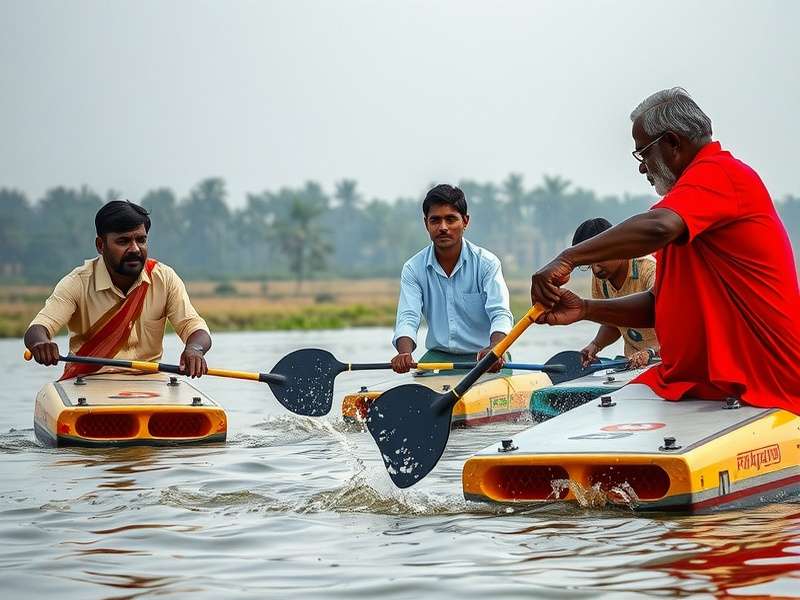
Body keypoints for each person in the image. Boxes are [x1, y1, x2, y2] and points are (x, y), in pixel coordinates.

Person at [530, 87, 800, 412]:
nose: (643, 168)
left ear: (673, 143)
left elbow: (658, 226)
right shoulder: (688, 203)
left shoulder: (720, 174)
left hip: (766, 385)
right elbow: (660, 306)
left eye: (644, 154)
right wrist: (586, 309)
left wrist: (568, 258)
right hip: (694, 386)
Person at [24, 200, 212, 379]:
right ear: (100, 245)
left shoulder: (165, 278)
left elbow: (195, 328)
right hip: (87, 382)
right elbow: (38, 328)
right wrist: (41, 344)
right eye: (123, 241)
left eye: (141, 240)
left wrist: (194, 350)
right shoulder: (77, 283)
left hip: (151, 384)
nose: (135, 249)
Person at [391, 184, 513, 374]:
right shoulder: (413, 269)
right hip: (438, 357)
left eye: (451, 219)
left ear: (465, 221)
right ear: (426, 224)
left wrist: (495, 350)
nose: (443, 228)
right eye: (435, 220)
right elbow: (408, 317)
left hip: (486, 357)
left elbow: (500, 313)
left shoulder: (487, 264)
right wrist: (404, 354)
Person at [572, 218, 659, 369]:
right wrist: (595, 345)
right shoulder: (601, 279)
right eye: (589, 264)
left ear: (617, 246)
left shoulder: (650, 270)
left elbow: (679, 326)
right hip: (634, 365)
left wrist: (651, 352)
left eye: (600, 260)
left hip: (664, 360)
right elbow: (613, 321)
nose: (596, 269)